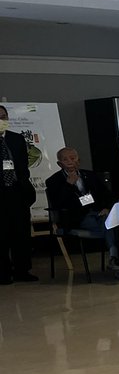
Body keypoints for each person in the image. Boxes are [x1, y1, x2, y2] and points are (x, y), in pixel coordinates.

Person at [44, 147, 119, 280]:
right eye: (65, 159)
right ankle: (116, 260)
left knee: (111, 221)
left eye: (73, 158)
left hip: (98, 213)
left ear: (79, 161)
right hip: (76, 218)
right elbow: (59, 204)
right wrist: (68, 185)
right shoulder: (54, 181)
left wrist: (106, 208)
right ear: (59, 164)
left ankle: (115, 261)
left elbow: (107, 195)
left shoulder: (90, 176)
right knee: (111, 225)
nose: (70, 162)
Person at [0, 105, 38, 283]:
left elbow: (23, 165)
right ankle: (3, 273)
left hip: (17, 190)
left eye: (4, 116)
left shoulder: (16, 139)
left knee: (21, 232)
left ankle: (22, 270)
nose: (2, 120)